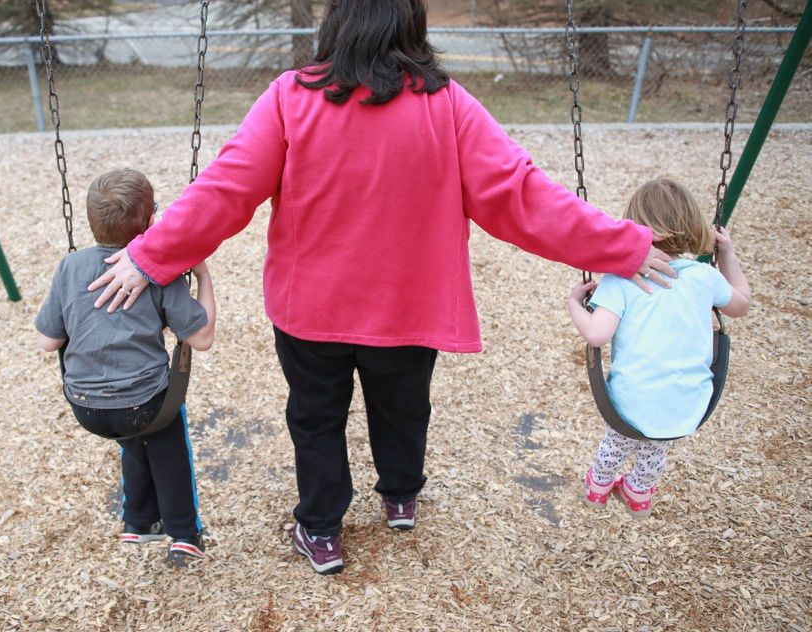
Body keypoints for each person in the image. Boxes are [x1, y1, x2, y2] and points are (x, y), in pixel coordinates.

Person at [87, 0, 676, 575]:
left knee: (316, 419)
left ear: (336, 24)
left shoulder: (293, 97)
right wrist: (620, 245)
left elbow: (226, 189)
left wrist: (149, 257)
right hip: (407, 308)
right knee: (402, 408)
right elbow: (523, 197)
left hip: (311, 310)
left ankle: (320, 529)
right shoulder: (447, 105)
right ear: (412, 26)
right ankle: (400, 496)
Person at [35, 168, 217, 567]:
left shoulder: (70, 267)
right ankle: (184, 534)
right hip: (146, 405)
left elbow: (48, 342)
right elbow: (201, 339)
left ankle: (138, 520)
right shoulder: (159, 268)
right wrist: (201, 273)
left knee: (132, 435)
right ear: (151, 221)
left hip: (88, 409)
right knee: (166, 444)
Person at [568, 178, 751, 518]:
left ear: (634, 228)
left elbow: (596, 335)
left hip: (631, 402)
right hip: (686, 405)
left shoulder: (619, 279)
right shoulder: (703, 276)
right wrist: (727, 253)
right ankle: (638, 493)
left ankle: (598, 488)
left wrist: (575, 304)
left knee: (618, 440)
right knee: (655, 445)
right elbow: (741, 304)